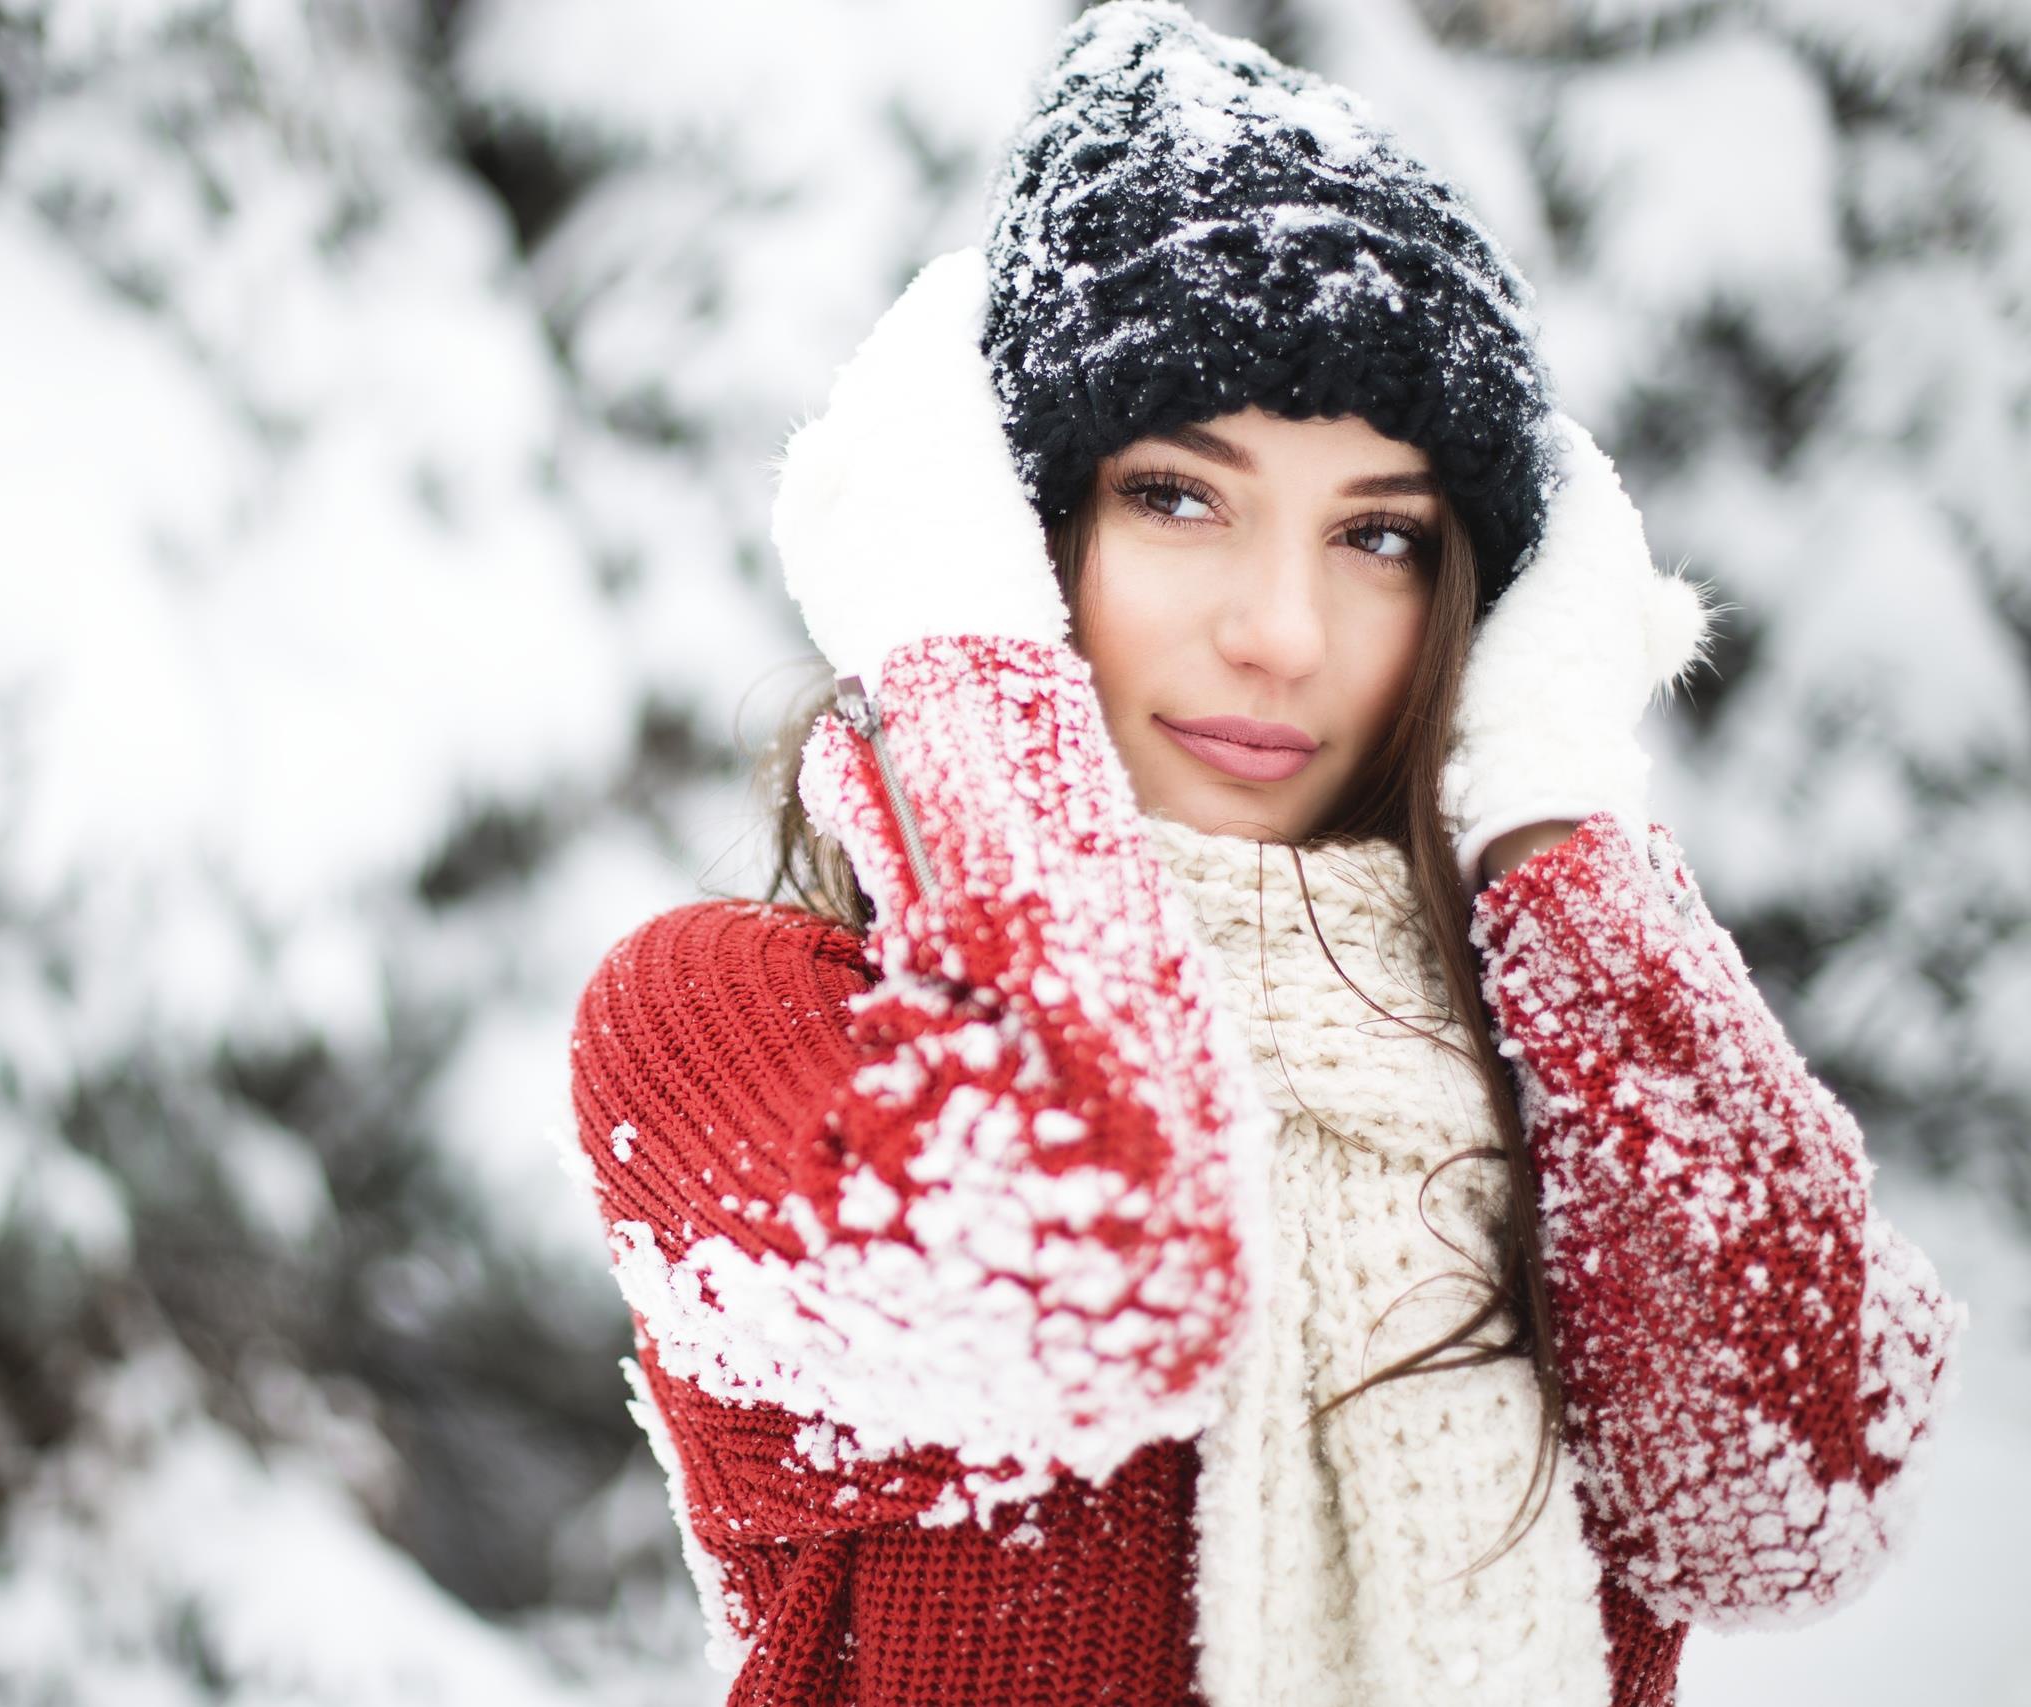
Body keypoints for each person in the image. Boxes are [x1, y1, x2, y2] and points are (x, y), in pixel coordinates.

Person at [561, 6, 1965, 1704]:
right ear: (1014, 534)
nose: (1285, 633)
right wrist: (958, 661)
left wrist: (1554, 803)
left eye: (1379, 535)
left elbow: (1797, 1502)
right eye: (1176, 496)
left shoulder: (1573, 1069)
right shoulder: (746, 1031)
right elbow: (1100, 1258)